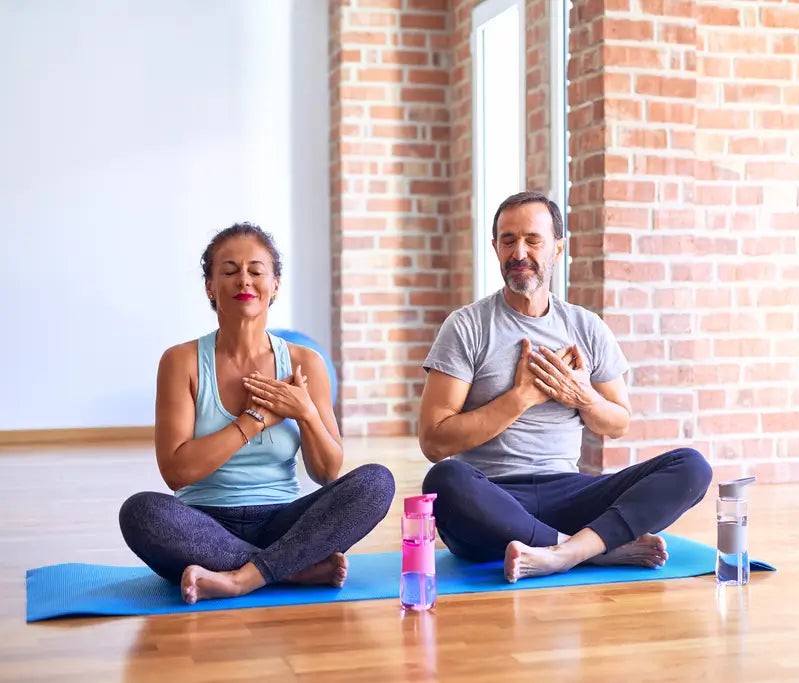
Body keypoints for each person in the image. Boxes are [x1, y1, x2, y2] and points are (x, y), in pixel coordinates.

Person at [418, 191, 713, 583]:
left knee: (691, 467)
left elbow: (618, 422)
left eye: (532, 240)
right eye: (508, 241)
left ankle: (564, 552)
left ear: (558, 248)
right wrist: (521, 397)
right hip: (493, 498)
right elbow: (434, 442)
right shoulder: (467, 326)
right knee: (443, 481)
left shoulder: (585, 327)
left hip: (570, 493)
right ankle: (587, 551)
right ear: (495, 248)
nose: (519, 252)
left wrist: (583, 397)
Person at [119, 222, 395, 604]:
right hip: (204, 524)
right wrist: (253, 421)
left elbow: (327, 472)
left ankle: (240, 578)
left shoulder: (304, 363)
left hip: (283, 523)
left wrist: (305, 413)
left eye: (256, 271)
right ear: (210, 287)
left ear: (275, 284)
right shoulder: (181, 362)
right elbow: (176, 473)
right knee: (140, 513)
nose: (243, 281)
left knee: (376, 482)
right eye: (229, 272)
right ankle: (290, 569)